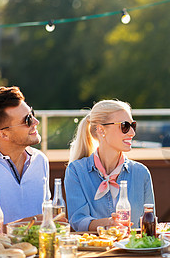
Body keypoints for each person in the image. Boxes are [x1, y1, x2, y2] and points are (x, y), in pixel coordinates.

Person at [64, 99, 154, 232]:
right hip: (94, 252)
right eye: (124, 126)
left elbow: (149, 222)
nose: (132, 133)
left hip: (132, 251)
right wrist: (108, 224)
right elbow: (78, 221)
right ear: (101, 130)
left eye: (132, 125)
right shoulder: (76, 171)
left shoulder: (142, 173)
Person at [0, 86, 49, 227]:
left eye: (32, 114)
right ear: (3, 134)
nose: (36, 122)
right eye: (27, 120)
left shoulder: (40, 160)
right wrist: (27, 224)